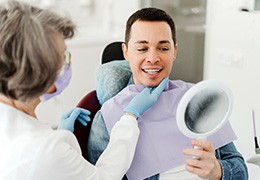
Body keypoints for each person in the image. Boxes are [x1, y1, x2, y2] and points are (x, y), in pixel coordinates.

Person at [0, 1, 168, 180]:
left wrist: (61, 134)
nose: (152, 58)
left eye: (164, 48)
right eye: (63, 57)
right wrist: (130, 116)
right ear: (43, 75)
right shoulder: (47, 149)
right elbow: (104, 177)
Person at [87, 7, 248, 180]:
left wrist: (217, 171)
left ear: (174, 51)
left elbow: (241, 170)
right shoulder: (107, 118)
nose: (153, 58)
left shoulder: (200, 100)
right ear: (126, 52)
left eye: (163, 48)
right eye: (142, 49)